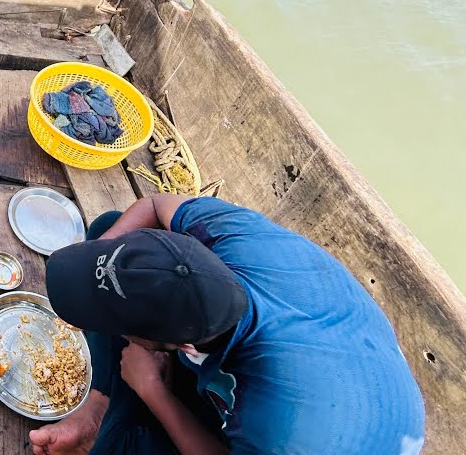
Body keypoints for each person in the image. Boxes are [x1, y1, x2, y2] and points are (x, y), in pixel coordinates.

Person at [31, 194, 426, 455]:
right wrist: (102, 251)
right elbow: (155, 202)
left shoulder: (277, 428)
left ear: (182, 348)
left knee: (118, 447)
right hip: (324, 359)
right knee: (110, 225)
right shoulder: (234, 237)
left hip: (321, 432)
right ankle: (100, 406)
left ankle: (112, 418)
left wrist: (155, 392)